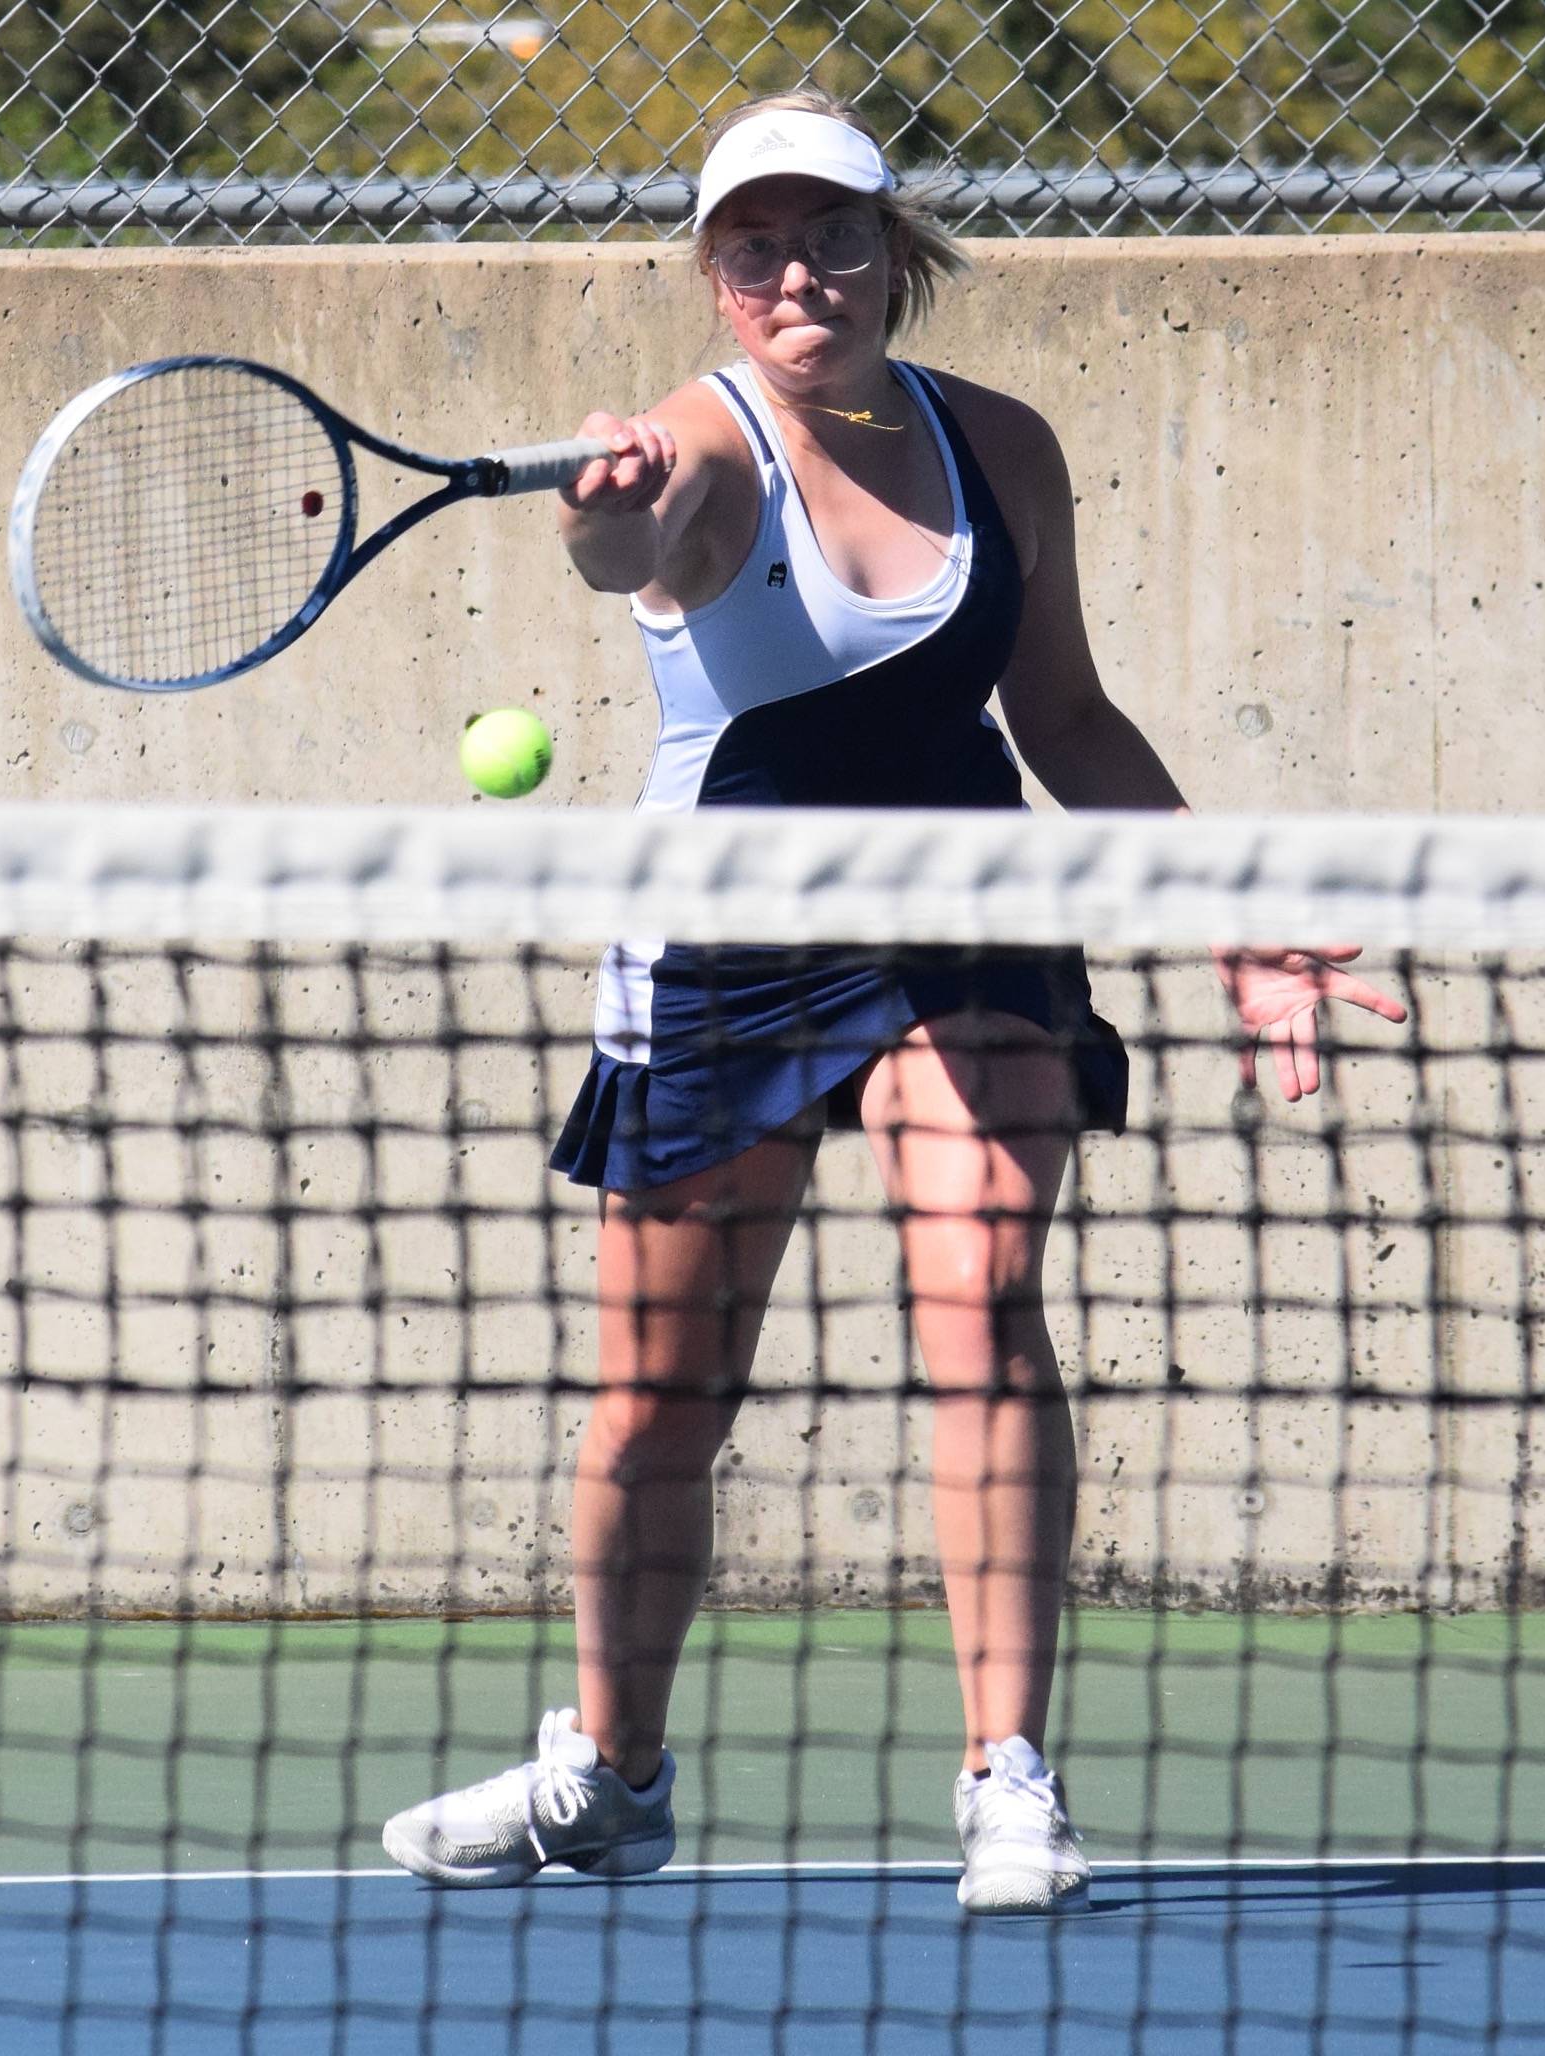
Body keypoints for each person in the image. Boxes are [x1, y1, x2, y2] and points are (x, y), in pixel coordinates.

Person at [382, 89, 1406, 1914]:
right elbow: (636, 555)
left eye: (836, 234)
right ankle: (611, 1771)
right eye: (759, 246)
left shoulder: (1002, 445)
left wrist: (1241, 922)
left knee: (986, 1294)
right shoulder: (695, 447)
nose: (802, 274)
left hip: (966, 900)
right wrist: (605, 521)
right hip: (731, 930)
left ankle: (1009, 1774)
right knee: (660, 1395)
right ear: (716, 278)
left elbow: (1069, 717)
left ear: (891, 248)